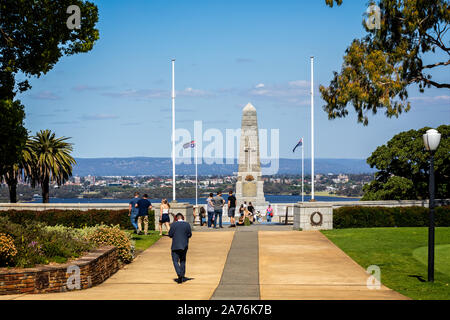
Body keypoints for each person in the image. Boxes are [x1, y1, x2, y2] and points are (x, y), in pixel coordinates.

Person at [168, 213, 192, 284]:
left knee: (175, 261)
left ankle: (179, 274)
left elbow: (170, 234)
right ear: (183, 218)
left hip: (175, 245)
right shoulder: (187, 224)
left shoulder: (173, 225)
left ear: (176, 218)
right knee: (183, 260)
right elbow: (189, 234)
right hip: (184, 245)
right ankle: (182, 274)